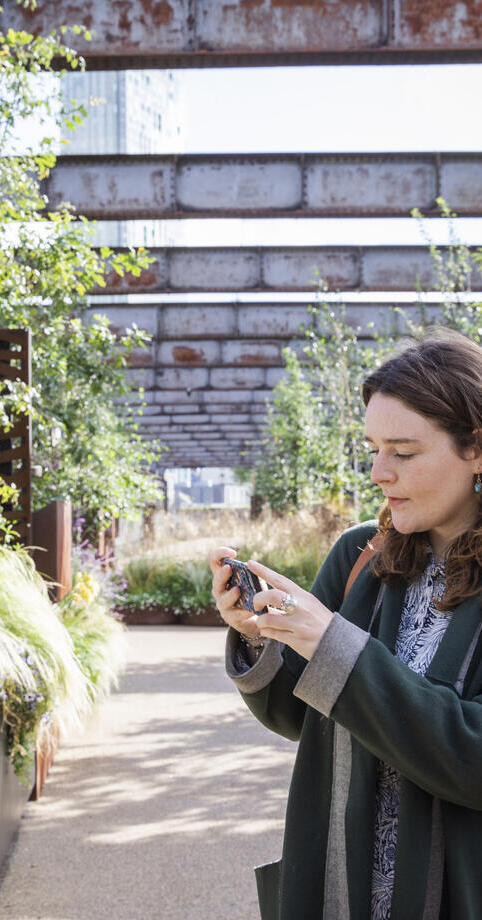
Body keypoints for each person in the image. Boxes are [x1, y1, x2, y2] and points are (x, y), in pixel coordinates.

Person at [210, 327, 482, 920]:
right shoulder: (362, 555)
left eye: (403, 452)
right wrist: (263, 637)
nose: (380, 472)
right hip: (343, 889)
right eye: (373, 448)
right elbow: (300, 716)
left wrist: (336, 648)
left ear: (476, 450)